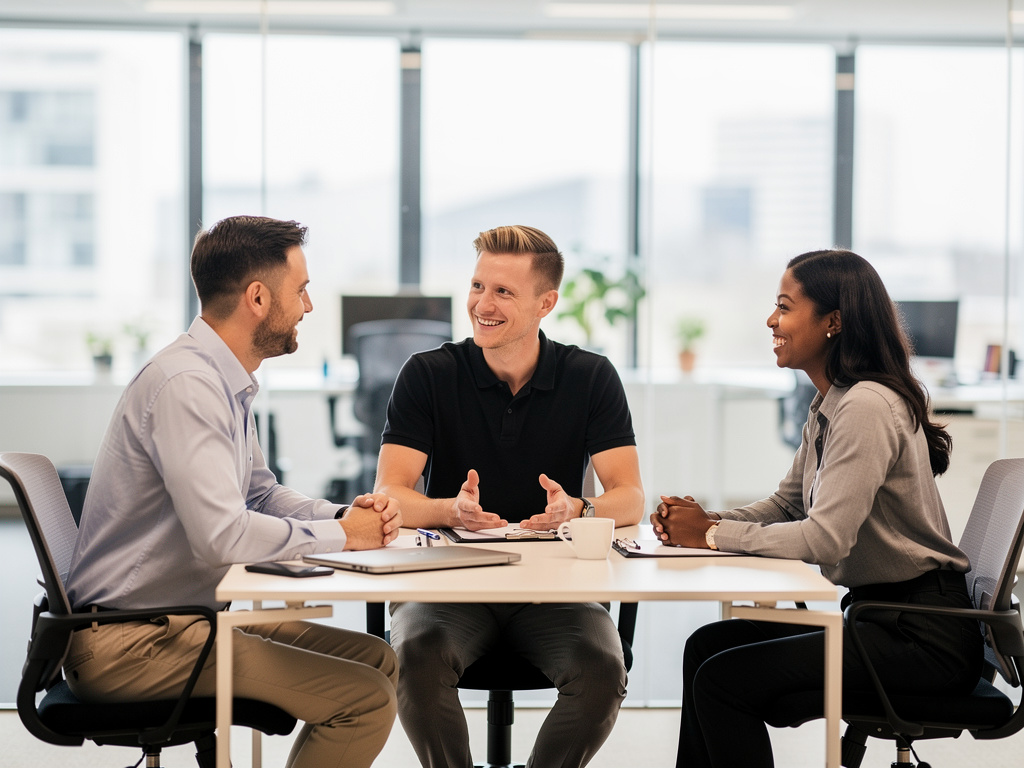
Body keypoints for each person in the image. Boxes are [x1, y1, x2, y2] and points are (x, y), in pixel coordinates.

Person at [65, 215, 402, 768]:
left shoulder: (223, 380)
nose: (309, 307)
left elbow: (260, 495)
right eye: (302, 290)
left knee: (378, 661)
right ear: (257, 298)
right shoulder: (188, 386)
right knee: (364, 700)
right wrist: (344, 535)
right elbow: (222, 536)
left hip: (175, 621)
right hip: (132, 644)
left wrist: (344, 513)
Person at [651, 249, 984, 768]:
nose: (770, 320)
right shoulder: (832, 403)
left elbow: (824, 540)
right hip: (882, 620)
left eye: (784, 307)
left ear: (833, 323)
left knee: (724, 680)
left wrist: (710, 537)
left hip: (923, 639)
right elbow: (788, 504)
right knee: (707, 648)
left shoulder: (866, 407)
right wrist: (707, 521)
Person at [374, 224, 645, 768]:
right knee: (415, 658)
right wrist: (450, 509)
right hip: (449, 583)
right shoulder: (428, 374)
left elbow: (630, 497)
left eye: (503, 292)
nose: (482, 304)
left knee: (601, 671)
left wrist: (578, 508)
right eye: (477, 286)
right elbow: (391, 493)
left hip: (554, 588)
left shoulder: (590, 377)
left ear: (547, 302)